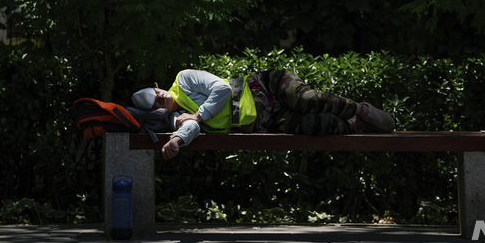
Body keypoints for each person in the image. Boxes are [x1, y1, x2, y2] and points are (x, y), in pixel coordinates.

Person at [132, 69, 395, 160]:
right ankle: (355, 125)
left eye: (156, 91)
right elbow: (189, 130)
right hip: (266, 121)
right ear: (156, 110)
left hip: (267, 88)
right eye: (155, 101)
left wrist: (199, 115)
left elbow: (222, 89)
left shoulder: (184, 79)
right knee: (317, 125)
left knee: (308, 100)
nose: (160, 96)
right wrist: (176, 139)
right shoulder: (179, 119)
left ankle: (363, 110)